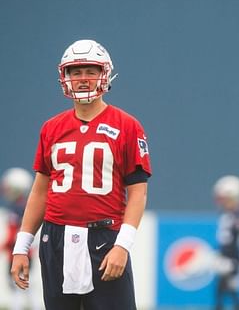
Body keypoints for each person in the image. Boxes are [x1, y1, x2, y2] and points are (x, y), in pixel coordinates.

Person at [10, 39, 152, 310]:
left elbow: (138, 192)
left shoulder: (127, 125)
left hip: (104, 236)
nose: (83, 79)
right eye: (76, 72)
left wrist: (122, 245)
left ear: (105, 74)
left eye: (91, 71)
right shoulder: (51, 128)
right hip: (56, 239)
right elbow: (40, 190)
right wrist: (21, 246)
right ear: (65, 77)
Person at [1, 167, 42, 310]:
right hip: (26, 253)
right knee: (27, 287)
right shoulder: (26, 206)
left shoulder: (17, 209)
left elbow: (14, 233)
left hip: (18, 254)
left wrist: (5, 246)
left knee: (17, 287)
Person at [213, 175, 239, 310]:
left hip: (233, 260)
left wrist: (231, 260)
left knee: (232, 292)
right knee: (221, 292)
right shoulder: (226, 215)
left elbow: (236, 241)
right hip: (226, 258)